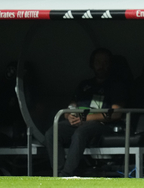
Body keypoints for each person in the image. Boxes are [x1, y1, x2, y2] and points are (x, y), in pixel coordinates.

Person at [44, 48, 127, 177]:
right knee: (52, 133)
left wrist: (86, 118)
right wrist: (69, 115)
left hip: (100, 125)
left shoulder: (116, 85)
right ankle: (58, 174)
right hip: (78, 121)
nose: (101, 66)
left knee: (80, 133)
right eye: (98, 62)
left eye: (105, 62)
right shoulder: (84, 84)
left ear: (110, 64)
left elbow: (116, 113)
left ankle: (66, 174)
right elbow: (71, 106)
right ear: (92, 64)